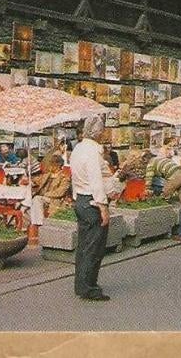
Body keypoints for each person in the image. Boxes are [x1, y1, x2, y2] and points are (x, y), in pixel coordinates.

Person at [70, 113, 111, 301]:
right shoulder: (94, 150)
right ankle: (89, 287)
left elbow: (75, 175)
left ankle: (81, 284)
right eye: (102, 131)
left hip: (80, 199)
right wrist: (103, 206)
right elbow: (95, 179)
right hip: (92, 201)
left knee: (84, 246)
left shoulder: (78, 148)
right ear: (98, 132)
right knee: (94, 247)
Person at [26, 154, 72, 225]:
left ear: (58, 165)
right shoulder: (48, 175)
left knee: (37, 199)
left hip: (54, 199)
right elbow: (38, 180)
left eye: (52, 163)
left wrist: (45, 194)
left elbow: (60, 192)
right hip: (42, 197)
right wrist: (31, 181)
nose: (50, 165)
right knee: (26, 201)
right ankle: (26, 225)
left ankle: (38, 223)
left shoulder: (64, 178)